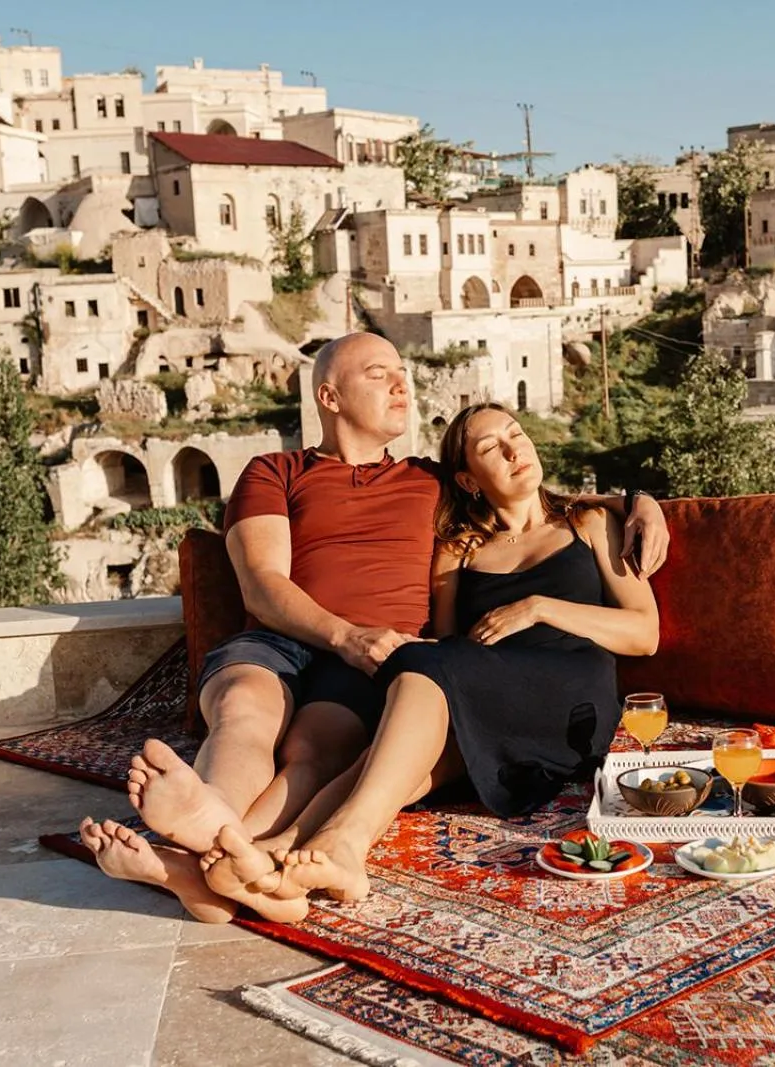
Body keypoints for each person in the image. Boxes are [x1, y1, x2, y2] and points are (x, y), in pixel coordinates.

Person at [78, 334, 669, 922]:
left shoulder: (429, 481)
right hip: (297, 643)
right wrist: (345, 636)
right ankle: (214, 836)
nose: (400, 383)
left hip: (385, 658)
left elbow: (528, 491)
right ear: (329, 396)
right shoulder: (275, 471)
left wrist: (641, 499)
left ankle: (217, 864)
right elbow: (262, 585)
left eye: (402, 371)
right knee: (243, 707)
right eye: (378, 373)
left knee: (315, 750)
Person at [197, 401, 659, 908]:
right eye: (491, 448)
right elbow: (443, 643)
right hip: (487, 692)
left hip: (572, 696)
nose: (514, 449)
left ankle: (328, 845)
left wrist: (540, 608)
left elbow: (644, 633)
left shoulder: (589, 523)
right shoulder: (460, 547)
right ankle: (279, 857)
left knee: (422, 669)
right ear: (466, 481)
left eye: (517, 434)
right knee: (394, 759)